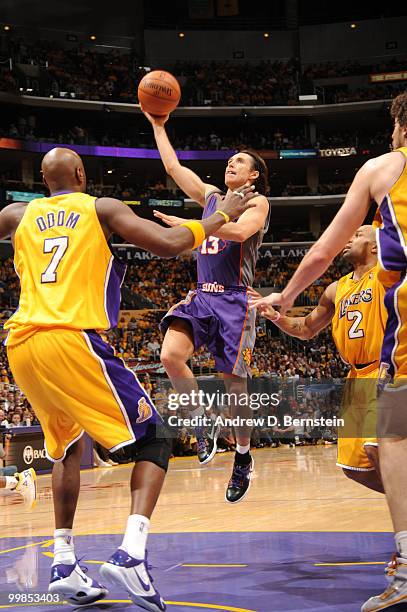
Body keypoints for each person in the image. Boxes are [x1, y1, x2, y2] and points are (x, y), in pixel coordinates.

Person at [0, 147, 256, 611]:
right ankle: (131, 554)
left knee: (67, 447)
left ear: (41, 179)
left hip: (20, 344)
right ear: (81, 173)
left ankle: (62, 562)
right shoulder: (99, 207)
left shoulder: (17, 213)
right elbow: (173, 243)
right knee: (157, 440)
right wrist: (221, 217)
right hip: (72, 338)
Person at [251, 92, 407, 611]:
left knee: (393, 447)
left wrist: (284, 291)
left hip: (389, 363)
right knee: (364, 463)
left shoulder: (383, 179)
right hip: (360, 373)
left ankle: (404, 564)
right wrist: (281, 314)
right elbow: (309, 327)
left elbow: (320, 248)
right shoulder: (340, 287)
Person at [143, 109, 270, 503]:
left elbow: (236, 232)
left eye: (240, 162)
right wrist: (158, 125)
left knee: (236, 390)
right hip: (202, 294)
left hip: (234, 299)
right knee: (170, 355)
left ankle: (243, 458)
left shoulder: (259, 203)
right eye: (230, 160)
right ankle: (201, 421)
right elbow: (173, 166)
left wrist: (187, 224)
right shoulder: (213, 196)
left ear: (252, 176)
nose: (231, 163)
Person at [251, 226, 385, 492]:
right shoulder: (336, 289)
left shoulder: (388, 275)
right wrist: (276, 316)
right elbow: (306, 328)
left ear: (375, 247)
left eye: (357, 235)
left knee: (376, 448)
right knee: (353, 467)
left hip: (385, 369)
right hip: (355, 378)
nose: (349, 238)